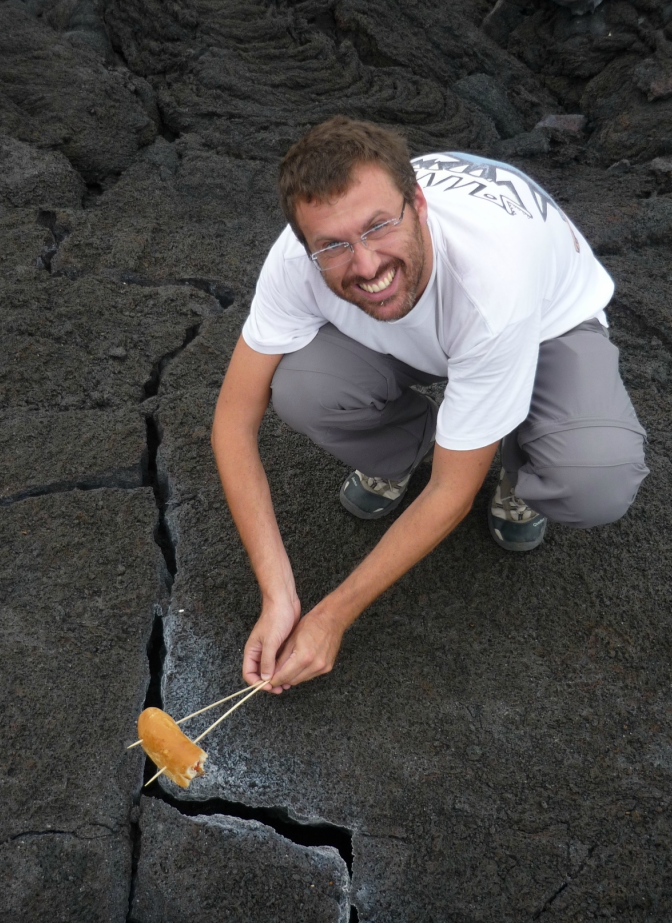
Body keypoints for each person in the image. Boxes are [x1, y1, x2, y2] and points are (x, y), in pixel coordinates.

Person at [211, 116, 648, 695]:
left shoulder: (493, 283)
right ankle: (405, 448)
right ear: (304, 243)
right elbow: (232, 424)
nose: (365, 264)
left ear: (418, 202)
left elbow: (450, 491)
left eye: (379, 226)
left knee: (593, 477)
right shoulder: (297, 264)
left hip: (542, 325)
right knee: (302, 387)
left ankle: (524, 467)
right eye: (334, 246)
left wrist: (331, 616)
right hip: (427, 332)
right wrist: (279, 594)